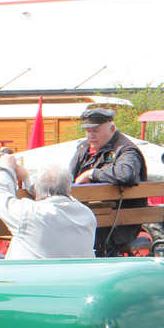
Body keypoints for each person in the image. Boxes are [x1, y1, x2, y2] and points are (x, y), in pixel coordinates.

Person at [0, 153, 97, 260]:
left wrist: (5, 168)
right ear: (69, 188)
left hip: (29, 278)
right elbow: (64, 196)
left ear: (37, 192)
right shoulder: (87, 215)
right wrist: (27, 176)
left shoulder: (30, 213)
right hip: (76, 278)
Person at [67, 107, 147, 256]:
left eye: (95, 131)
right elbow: (69, 176)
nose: (90, 135)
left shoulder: (126, 150)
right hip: (88, 218)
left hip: (115, 227)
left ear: (112, 129)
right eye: (88, 131)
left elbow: (125, 175)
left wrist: (92, 173)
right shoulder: (84, 149)